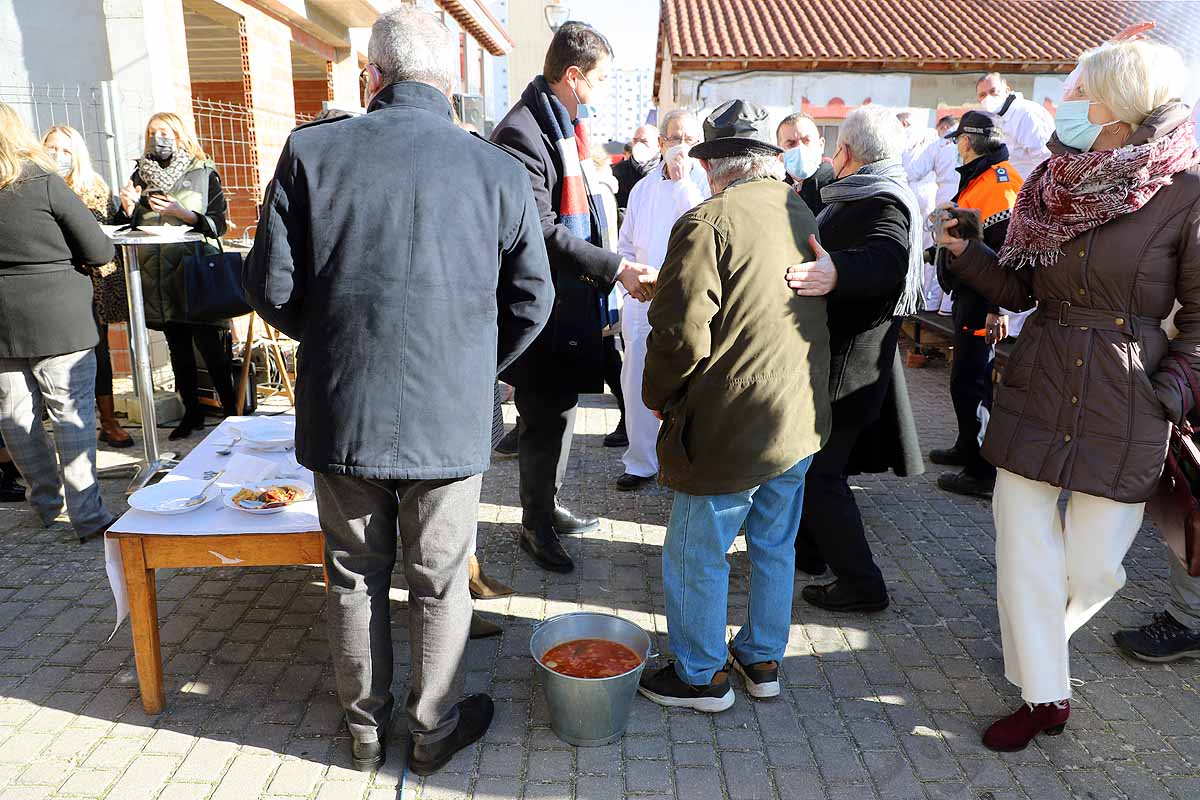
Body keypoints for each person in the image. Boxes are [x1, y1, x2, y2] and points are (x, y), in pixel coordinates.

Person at [243, 7, 553, 775]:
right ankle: (433, 725)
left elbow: (271, 284)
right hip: (448, 416)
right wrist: (476, 364)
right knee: (441, 578)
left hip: (345, 404)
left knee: (354, 573)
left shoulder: (313, 153)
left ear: (371, 76)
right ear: (447, 82)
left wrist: (332, 338)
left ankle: (367, 731)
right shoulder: (498, 169)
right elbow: (533, 301)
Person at [936, 39, 1198, 752]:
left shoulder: (1187, 191)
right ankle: (1045, 696)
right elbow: (1022, 290)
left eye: (1075, 90)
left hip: (1128, 396)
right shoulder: (1052, 183)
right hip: (1039, 376)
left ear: (1114, 106)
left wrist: (1167, 391)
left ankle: (1033, 647)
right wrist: (969, 254)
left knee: (1094, 566)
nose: (1062, 104)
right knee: (1022, 546)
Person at [636, 100, 831, 711]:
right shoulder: (797, 209)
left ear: (715, 166)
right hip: (796, 414)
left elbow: (678, 334)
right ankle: (762, 658)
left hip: (731, 423)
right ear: (767, 160)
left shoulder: (707, 221)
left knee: (699, 550)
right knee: (774, 543)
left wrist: (658, 398)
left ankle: (699, 676)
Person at [491, 20, 658, 574]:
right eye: (602, 79)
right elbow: (540, 228)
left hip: (569, 301)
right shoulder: (523, 132)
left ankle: (548, 505)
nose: (605, 89)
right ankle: (534, 525)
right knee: (541, 416)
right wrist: (616, 268)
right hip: (541, 305)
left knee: (561, 411)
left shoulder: (562, 126)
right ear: (573, 76)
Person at [787, 106, 926, 612]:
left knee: (822, 475)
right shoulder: (853, 194)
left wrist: (837, 271)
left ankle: (863, 585)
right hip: (842, 362)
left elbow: (885, 258)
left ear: (845, 152)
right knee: (821, 471)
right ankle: (811, 552)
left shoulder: (881, 201)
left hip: (850, 370)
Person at [0, 103, 116, 542]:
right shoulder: (43, 180)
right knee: (72, 418)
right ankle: (87, 515)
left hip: (3, 321)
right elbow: (99, 248)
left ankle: (47, 505)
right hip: (59, 315)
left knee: (15, 417)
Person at [116, 112, 233, 441]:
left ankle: (232, 414)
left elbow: (218, 224)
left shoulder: (202, 171)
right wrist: (127, 207)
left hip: (195, 270)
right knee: (177, 349)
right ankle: (191, 413)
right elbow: (128, 223)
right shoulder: (141, 172)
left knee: (211, 347)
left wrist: (181, 214)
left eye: (165, 132)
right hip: (159, 274)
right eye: (152, 132)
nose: (158, 139)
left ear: (180, 135)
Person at [613, 109, 708, 492]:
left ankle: (688, 459)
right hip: (643, 299)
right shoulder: (642, 188)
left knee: (689, 379)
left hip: (688, 300)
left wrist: (685, 183)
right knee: (637, 379)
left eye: (688, 139)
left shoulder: (704, 183)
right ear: (662, 143)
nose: (680, 147)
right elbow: (624, 244)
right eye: (674, 138)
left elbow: (701, 231)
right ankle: (640, 461)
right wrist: (631, 283)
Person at [930, 111, 1023, 500]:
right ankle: (968, 445)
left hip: (982, 299)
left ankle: (982, 470)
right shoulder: (986, 179)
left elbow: (1003, 252)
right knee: (964, 379)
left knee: (974, 382)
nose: (955, 147)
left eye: (956, 141)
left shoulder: (997, 183)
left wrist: (996, 308)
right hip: (971, 294)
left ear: (966, 142)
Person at [42, 125, 134, 450]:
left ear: (77, 154)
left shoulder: (93, 187)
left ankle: (108, 422)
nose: (58, 156)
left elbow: (111, 231)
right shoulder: (34, 186)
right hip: (48, 286)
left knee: (98, 352)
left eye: (66, 151)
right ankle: (62, 426)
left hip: (89, 282)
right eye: (52, 148)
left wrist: (128, 208)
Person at [976, 72, 1055, 182]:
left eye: (993, 91)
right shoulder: (996, 118)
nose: (988, 98)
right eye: (982, 95)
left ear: (1007, 90)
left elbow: (1044, 158)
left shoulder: (1025, 113)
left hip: (1034, 189)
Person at [777, 112, 835, 217]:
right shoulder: (776, 193)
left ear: (821, 145)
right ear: (780, 154)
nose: (800, 148)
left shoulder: (837, 185)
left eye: (806, 140)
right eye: (791, 144)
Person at [613, 123, 660, 209]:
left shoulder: (667, 170)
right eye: (635, 141)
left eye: (644, 141)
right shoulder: (617, 171)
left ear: (659, 144)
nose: (639, 145)